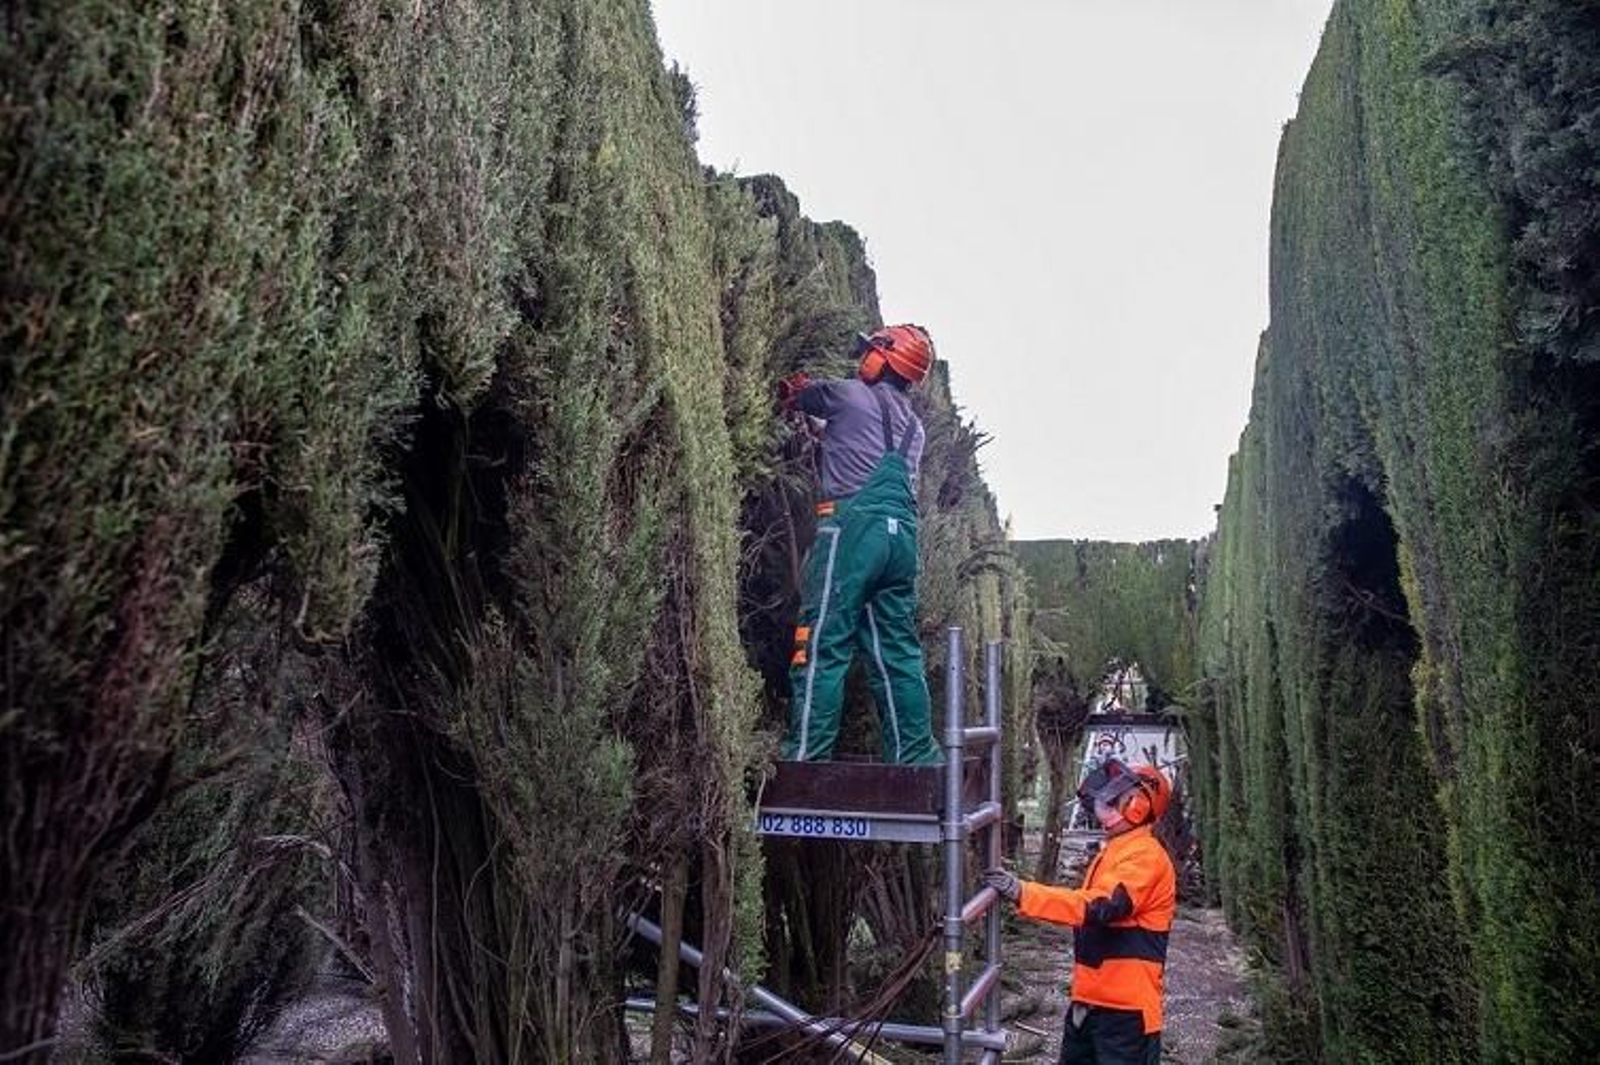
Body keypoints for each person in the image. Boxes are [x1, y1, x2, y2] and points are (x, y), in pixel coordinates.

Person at [776, 324, 939, 765]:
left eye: (869, 351)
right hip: (901, 540)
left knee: (822, 640)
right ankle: (917, 758)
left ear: (881, 358)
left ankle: (805, 757)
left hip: (853, 532)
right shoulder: (915, 429)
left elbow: (797, 395)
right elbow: (856, 443)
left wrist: (790, 392)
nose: (861, 357)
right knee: (897, 652)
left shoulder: (845, 395)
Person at [984, 760, 1175, 1064]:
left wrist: (1025, 892)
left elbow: (1098, 906)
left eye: (1116, 799)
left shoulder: (1147, 857)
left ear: (1138, 806)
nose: (1106, 806)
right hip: (1089, 1003)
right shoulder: (1115, 850)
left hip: (1127, 1014)